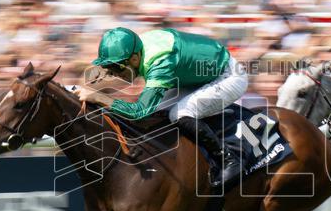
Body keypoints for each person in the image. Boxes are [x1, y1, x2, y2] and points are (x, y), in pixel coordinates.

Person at [77, 26, 248, 188]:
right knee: (160, 113)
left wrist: (98, 97)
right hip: (198, 75)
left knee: (179, 114)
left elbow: (139, 112)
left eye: (115, 68)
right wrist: (108, 73)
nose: (113, 73)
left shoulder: (160, 63)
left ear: (135, 58)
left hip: (228, 77)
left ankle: (228, 158)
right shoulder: (136, 47)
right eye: (109, 67)